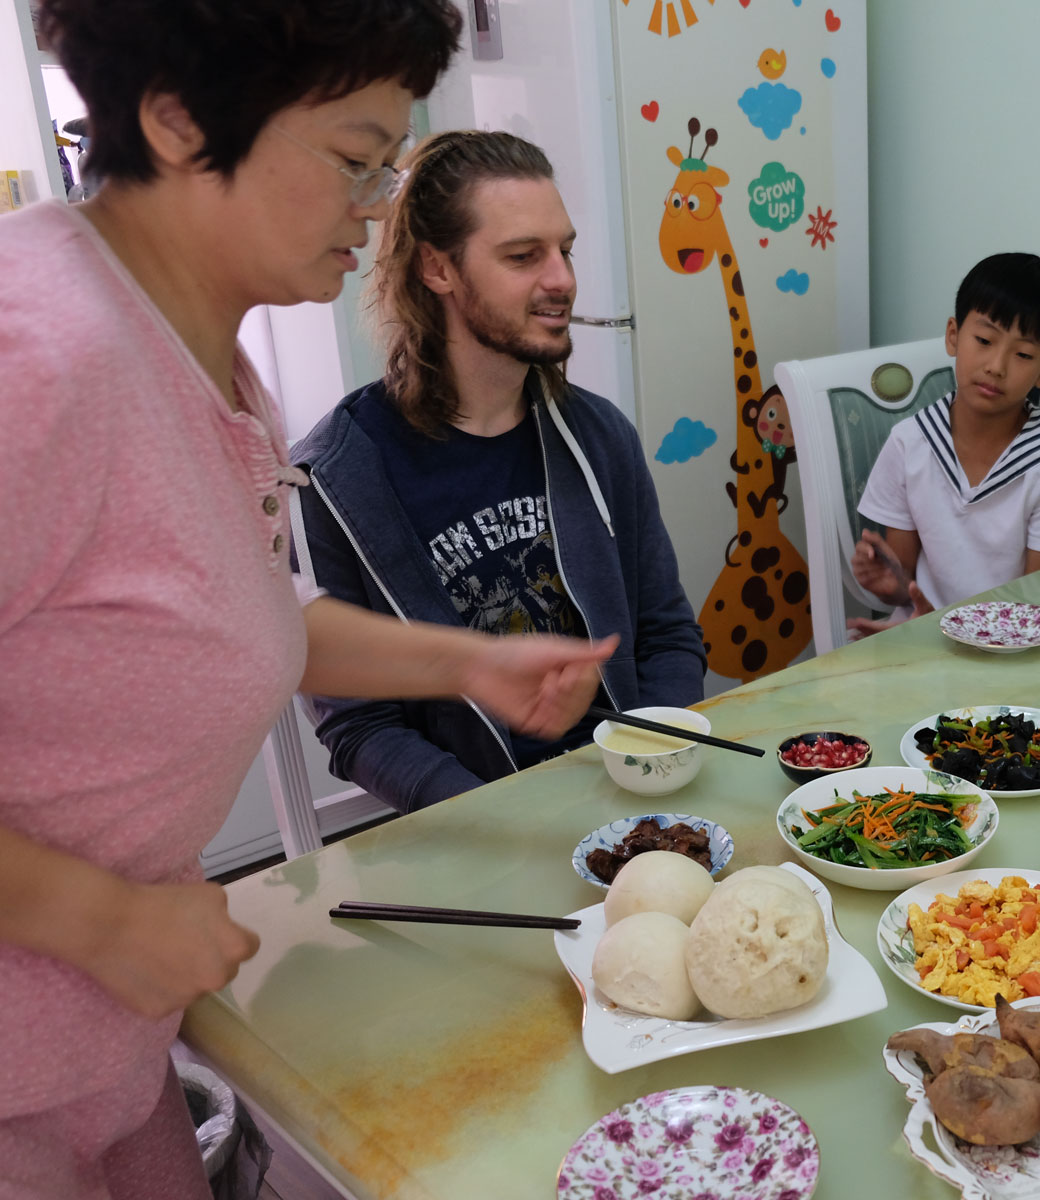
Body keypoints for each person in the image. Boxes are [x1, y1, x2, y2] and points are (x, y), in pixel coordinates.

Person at [0, 5, 619, 1195]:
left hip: (105, 1053)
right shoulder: (42, 364)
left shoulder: (192, 351)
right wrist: (103, 921)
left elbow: (219, 619)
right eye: (354, 158)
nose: (381, 201)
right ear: (179, 123)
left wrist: (462, 662)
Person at [291, 131, 705, 814]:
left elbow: (666, 634)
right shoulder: (336, 479)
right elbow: (359, 727)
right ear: (438, 269)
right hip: (479, 818)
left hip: (634, 795)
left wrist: (650, 768)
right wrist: (492, 816)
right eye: (523, 256)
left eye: (565, 250)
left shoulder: (599, 437)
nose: (562, 279)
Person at [848, 252, 1040, 638]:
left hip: (1011, 647)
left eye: (1023, 354)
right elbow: (904, 583)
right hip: (919, 636)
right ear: (953, 335)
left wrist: (946, 638)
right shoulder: (912, 442)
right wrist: (890, 586)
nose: (996, 365)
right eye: (984, 339)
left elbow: (1036, 604)